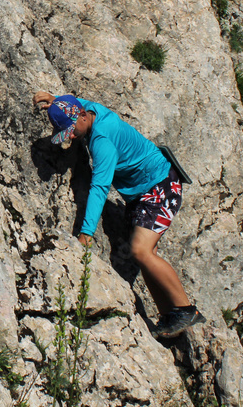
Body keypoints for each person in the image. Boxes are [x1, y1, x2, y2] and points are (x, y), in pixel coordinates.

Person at [32, 90, 205, 338]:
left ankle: (187, 310)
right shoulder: (87, 109)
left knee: (141, 251)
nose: (71, 136)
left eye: (71, 130)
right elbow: (75, 103)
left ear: (82, 116)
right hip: (144, 192)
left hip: (160, 186)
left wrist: (86, 232)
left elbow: (100, 187)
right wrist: (55, 101)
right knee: (146, 255)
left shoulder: (102, 140)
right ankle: (170, 316)